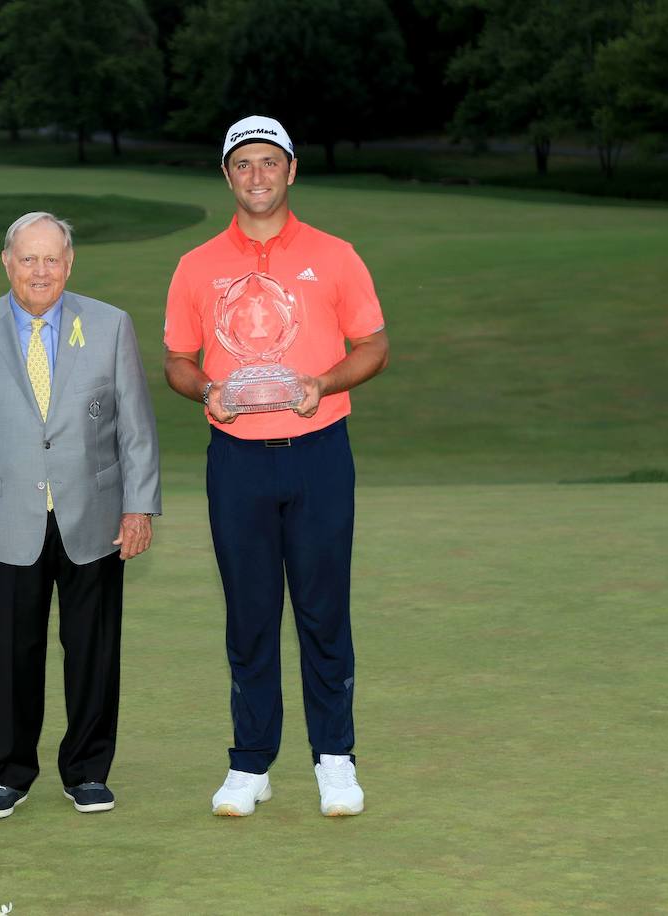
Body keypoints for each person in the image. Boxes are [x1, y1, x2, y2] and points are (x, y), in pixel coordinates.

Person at [163, 116, 390, 817]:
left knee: (323, 612)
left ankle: (335, 758)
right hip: (236, 460)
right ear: (227, 176)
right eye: (243, 165)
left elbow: (374, 345)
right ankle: (251, 762)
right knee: (250, 614)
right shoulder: (197, 265)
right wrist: (207, 390)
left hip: (319, 452)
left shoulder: (337, 255)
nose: (256, 176)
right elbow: (177, 359)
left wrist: (324, 383)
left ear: (291, 170)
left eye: (269, 163)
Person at [0, 212, 161, 820]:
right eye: (28, 259)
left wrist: (140, 506)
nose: (40, 271)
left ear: (69, 264)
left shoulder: (110, 325)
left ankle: (87, 770)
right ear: (7, 264)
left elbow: (136, 430)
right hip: (6, 518)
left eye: (52, 259)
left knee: (92, 648)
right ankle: (8, 772)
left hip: (94, 516)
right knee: (9, 650)